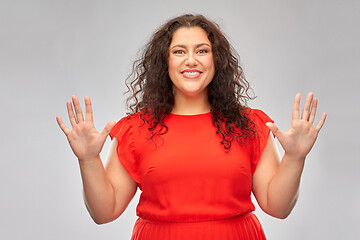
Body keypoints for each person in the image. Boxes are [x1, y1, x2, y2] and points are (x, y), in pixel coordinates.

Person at [56, 14, 327, 240]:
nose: (191, 60)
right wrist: (88, 159)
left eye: (202, 50)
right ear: (165, 62)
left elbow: (278, 207)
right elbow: (104, 212)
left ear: (215, 60)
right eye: (179, 51)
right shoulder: (136, 130)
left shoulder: (248, 125)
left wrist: (295, 157)